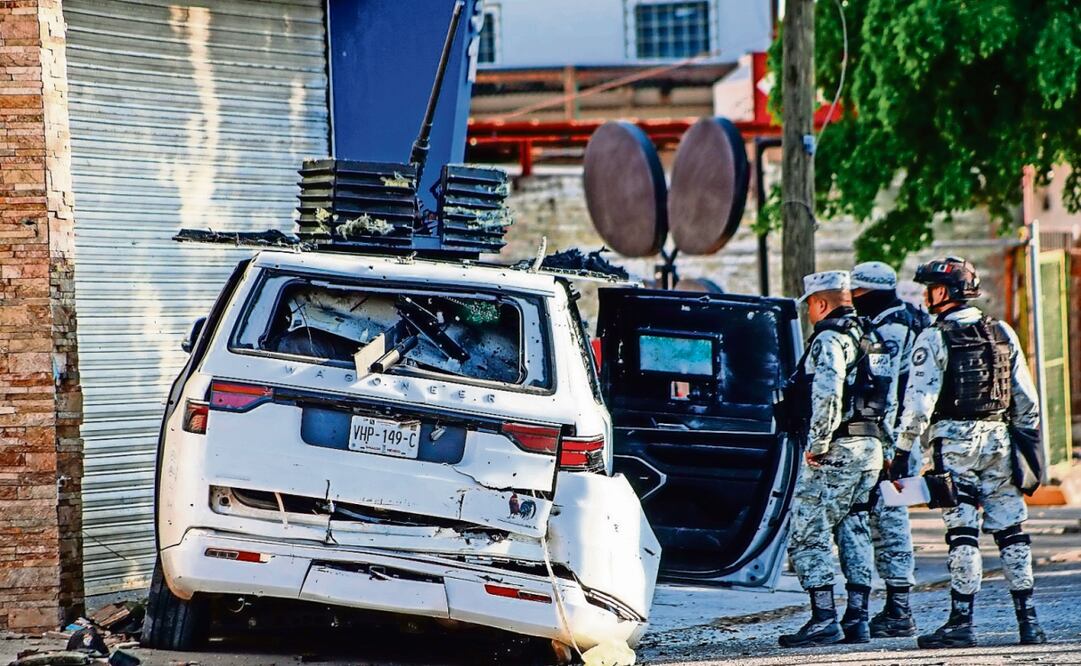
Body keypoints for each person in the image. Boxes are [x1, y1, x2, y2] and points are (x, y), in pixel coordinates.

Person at [889, 256, 1046, 648]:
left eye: (930, 288)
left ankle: (961, 622)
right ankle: (1029, 622)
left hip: (954, 444)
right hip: (1000, 440)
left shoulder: (933, 337)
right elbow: (1027, 402)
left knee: (963, 533)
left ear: (943, 292)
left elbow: (919, 407)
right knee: (1012, 532)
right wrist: (1026, 447)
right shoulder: (1002, 332)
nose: (926, 296)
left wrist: (900, 452)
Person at [779, 271, 893, 648]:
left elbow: (827, 394)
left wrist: (818, 443)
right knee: (854, 526)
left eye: (810, 304)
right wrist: (888, 449)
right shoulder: (870, 337)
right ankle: (857, 618)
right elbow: (885, 396)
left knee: (808, 531)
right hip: (871, 448)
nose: (810, 312)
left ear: (822, 303)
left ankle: (824, 619)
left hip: (838, 449)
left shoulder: (829, 338)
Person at [835, 261, 929, 639]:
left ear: (867, 293)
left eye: (857, 295)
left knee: (888, 523)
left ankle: (898, 608)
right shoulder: (914, 318)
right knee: (886, 520)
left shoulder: (891, 328)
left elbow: (886, 392)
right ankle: (894, 605)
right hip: (904, 439)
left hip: (891, 440)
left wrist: (889, 448)